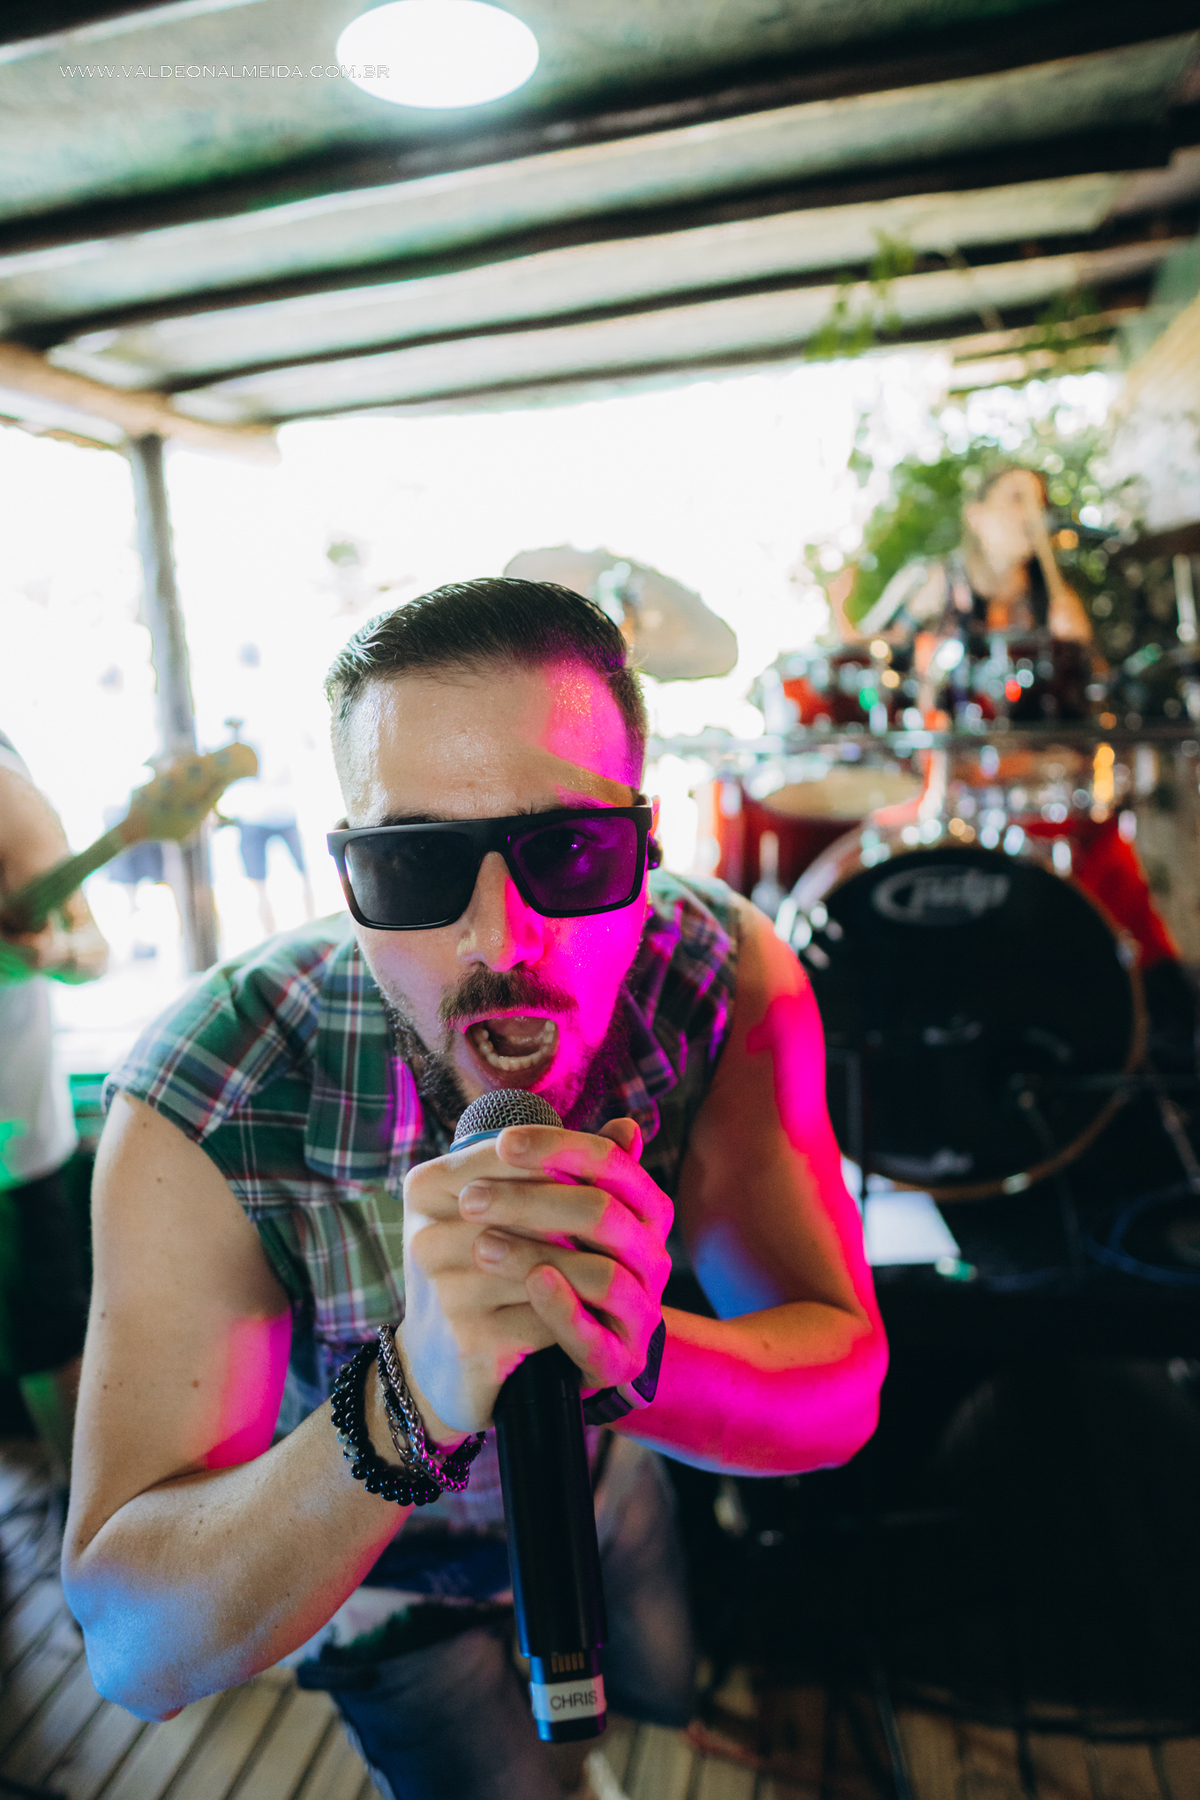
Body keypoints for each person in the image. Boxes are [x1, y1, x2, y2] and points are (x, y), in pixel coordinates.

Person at [63, 581, 886, 1800]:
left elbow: (841, 1386)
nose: (501, 939)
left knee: (666, 1718)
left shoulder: (718, 974)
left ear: (645, 844)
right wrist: (414, 1401)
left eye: (568, 851)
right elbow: (135, 1652)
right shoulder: (217, 1089)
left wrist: (629, 1356)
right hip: (371, 1575)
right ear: (348, 877)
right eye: (414, 866)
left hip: (616, 1495)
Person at [0, 730, 107, 1479]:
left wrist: (48, 953)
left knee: (54, 1341)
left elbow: (91, 949)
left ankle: (84, 1538)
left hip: (21, 1141)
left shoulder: (10, 784)